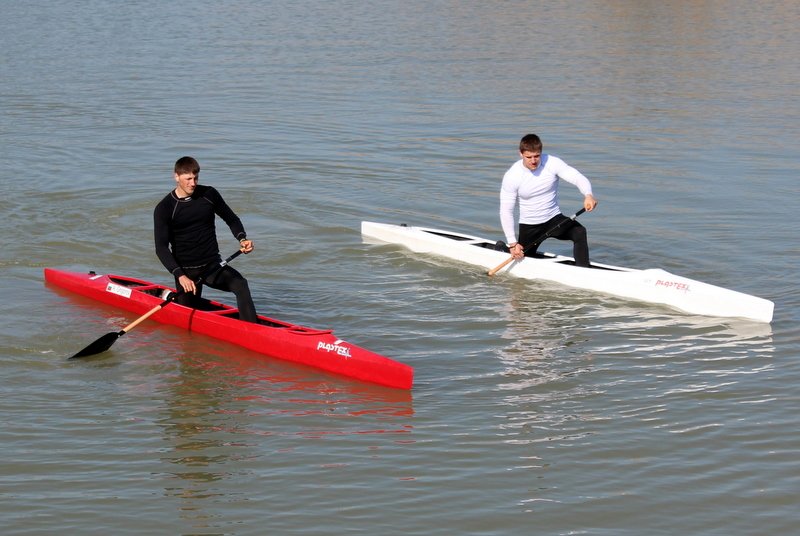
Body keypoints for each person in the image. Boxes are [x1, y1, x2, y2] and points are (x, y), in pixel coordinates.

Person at [154, 156, 259, 322]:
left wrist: (242, 238)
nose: (193, 183)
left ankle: (253, 331)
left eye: (195, 178)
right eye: (188, 178)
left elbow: (231, 218)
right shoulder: (165, 208)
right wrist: (180, 275)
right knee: (188, 317)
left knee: (241, 285)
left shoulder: (209, 194)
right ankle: (171, 298)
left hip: (212, 266)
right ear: (176, 176)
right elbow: (161, 248)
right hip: (186, 272)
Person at [499, 133, 598, 267]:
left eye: (537, 156)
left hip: (553, 219)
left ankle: (584, 270)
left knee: (579, 232)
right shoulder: (512, 176)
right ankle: (501, 249)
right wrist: (512, 243)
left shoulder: (552, 162)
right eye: (529, 157)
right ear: (520, 154)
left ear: (541, 152)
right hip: (530, 225)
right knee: (523, 257)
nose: (533, 161)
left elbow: (576, 177)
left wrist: (588, 194)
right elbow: (506, 211)